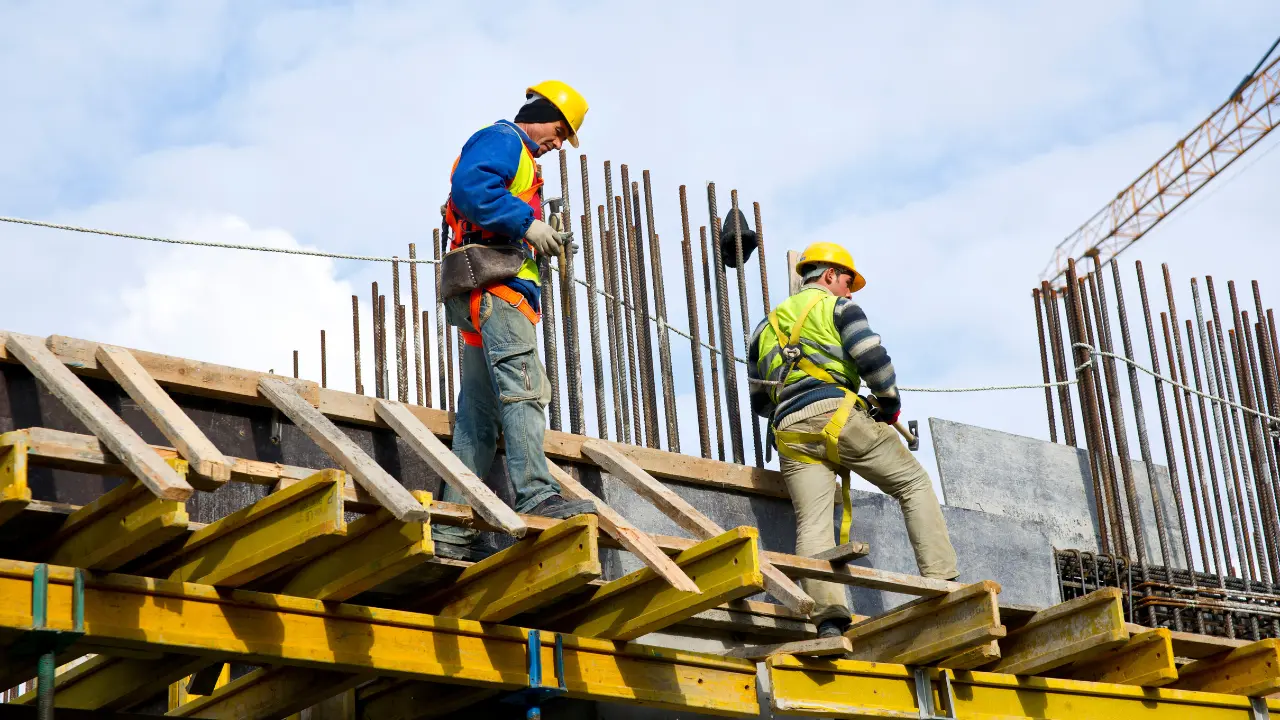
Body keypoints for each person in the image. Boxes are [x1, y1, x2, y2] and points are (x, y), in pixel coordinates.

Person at [747, 242, 958, 638]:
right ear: (828, 275)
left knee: (813, 524)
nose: (849, 290)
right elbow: (872, 358)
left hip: (790, 432)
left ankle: (828, 619)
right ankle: (943, 582)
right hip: (839, 416)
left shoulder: (763, 327)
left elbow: (760, 400)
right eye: (847, 281)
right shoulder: (838, 308)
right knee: (913, 483)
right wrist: (890, 405)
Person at [435, 81, 594, 560]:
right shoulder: (505, 139)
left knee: (478, 419)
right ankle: (537, 493)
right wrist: (527, 225)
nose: (559, 143)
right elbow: (471, 188)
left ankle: (452, 530)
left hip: (484, 294)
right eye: (559, 130)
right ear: (539, 113)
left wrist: (535, 233)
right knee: (525, 390)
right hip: (497, 293)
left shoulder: (522, 158)